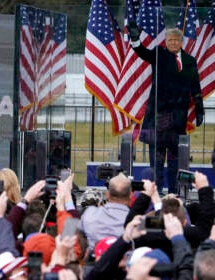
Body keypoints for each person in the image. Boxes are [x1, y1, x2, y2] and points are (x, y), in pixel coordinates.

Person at [128, 22, 205, 194]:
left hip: (178, 120)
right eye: (169, 40)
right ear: (166, 41)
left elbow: (196, 88)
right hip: (158, 117)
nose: (172, 43)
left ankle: (173, 192)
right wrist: (135, 39)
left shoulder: (190, 61)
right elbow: (142, 53)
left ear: (181, 42)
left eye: (175, 40)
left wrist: (199, 109)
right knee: (156, 160)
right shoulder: (158, 54)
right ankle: (156, 192)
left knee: (174, 161)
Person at [79, 172, 131, 249]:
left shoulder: (90, 214)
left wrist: (66, 200)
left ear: (107, 195)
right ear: (131, 195)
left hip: (93, 258)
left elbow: (68, 236)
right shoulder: (137, 222)